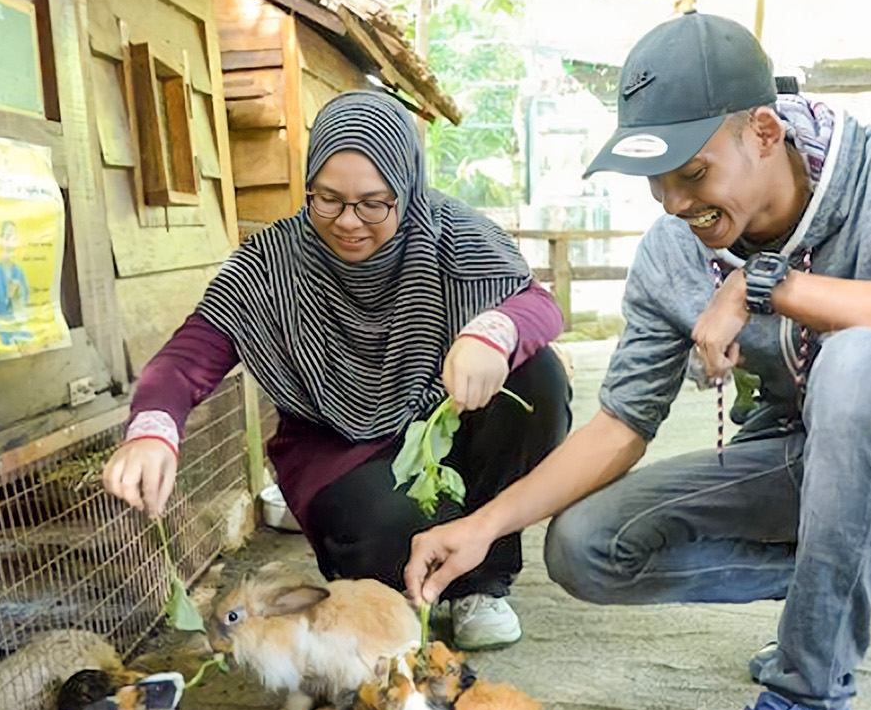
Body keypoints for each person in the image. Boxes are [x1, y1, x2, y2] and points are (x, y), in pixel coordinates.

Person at [405, 12, 871, 710]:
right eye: (658, 183)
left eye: (692, 173)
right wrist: (483, 525)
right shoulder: (671, 253)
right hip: (790, 457)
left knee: (862, 356)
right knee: (585, 547)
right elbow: (620, 425)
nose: (675, 202)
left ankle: (812, 696)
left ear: (763, 130)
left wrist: (767, 285)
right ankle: (832, 579)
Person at [104, 90, 570, 651]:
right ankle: (389, 602)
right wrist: (153, 428)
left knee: (537, 378)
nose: (348, 223)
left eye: (374, 203)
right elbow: (191, 352)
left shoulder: (456, 237)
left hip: (435, 423)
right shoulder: (270, 265)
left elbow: (537, 307)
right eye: (327, 199)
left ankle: (483, 583)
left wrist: (490, 333)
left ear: (408, 190)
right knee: (383, 528)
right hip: (340, 446)